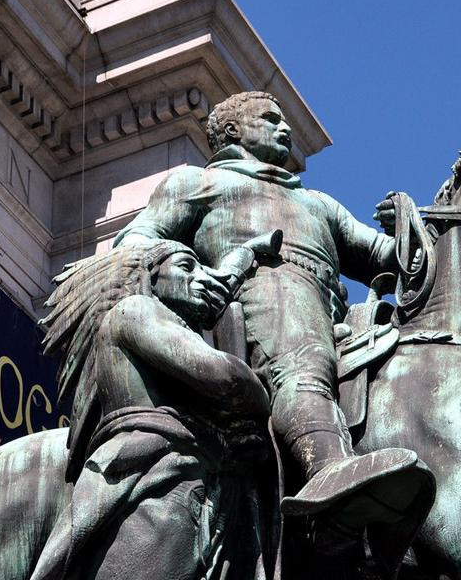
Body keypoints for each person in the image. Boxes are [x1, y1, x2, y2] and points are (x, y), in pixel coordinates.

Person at [11, 241, 283, 580]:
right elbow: (224, 378)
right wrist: (256, 387)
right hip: (161, 504)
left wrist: (245, 257)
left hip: (196, 506)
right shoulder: (135, 311)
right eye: (187, 267)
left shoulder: (166, 316)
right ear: (147, 276)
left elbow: (214, 295)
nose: (203, 278)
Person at [114, 91, 433, 534]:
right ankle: (328, 470)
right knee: (302, 361)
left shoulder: (318, 204)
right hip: (258, 305)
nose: (285, 129)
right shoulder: (198, 183)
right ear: (232, 132)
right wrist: (196, 276)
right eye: (270, 120)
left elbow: (384, 256)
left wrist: (413, 225)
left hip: (329, 314)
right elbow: (136, 242)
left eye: (284, 122)